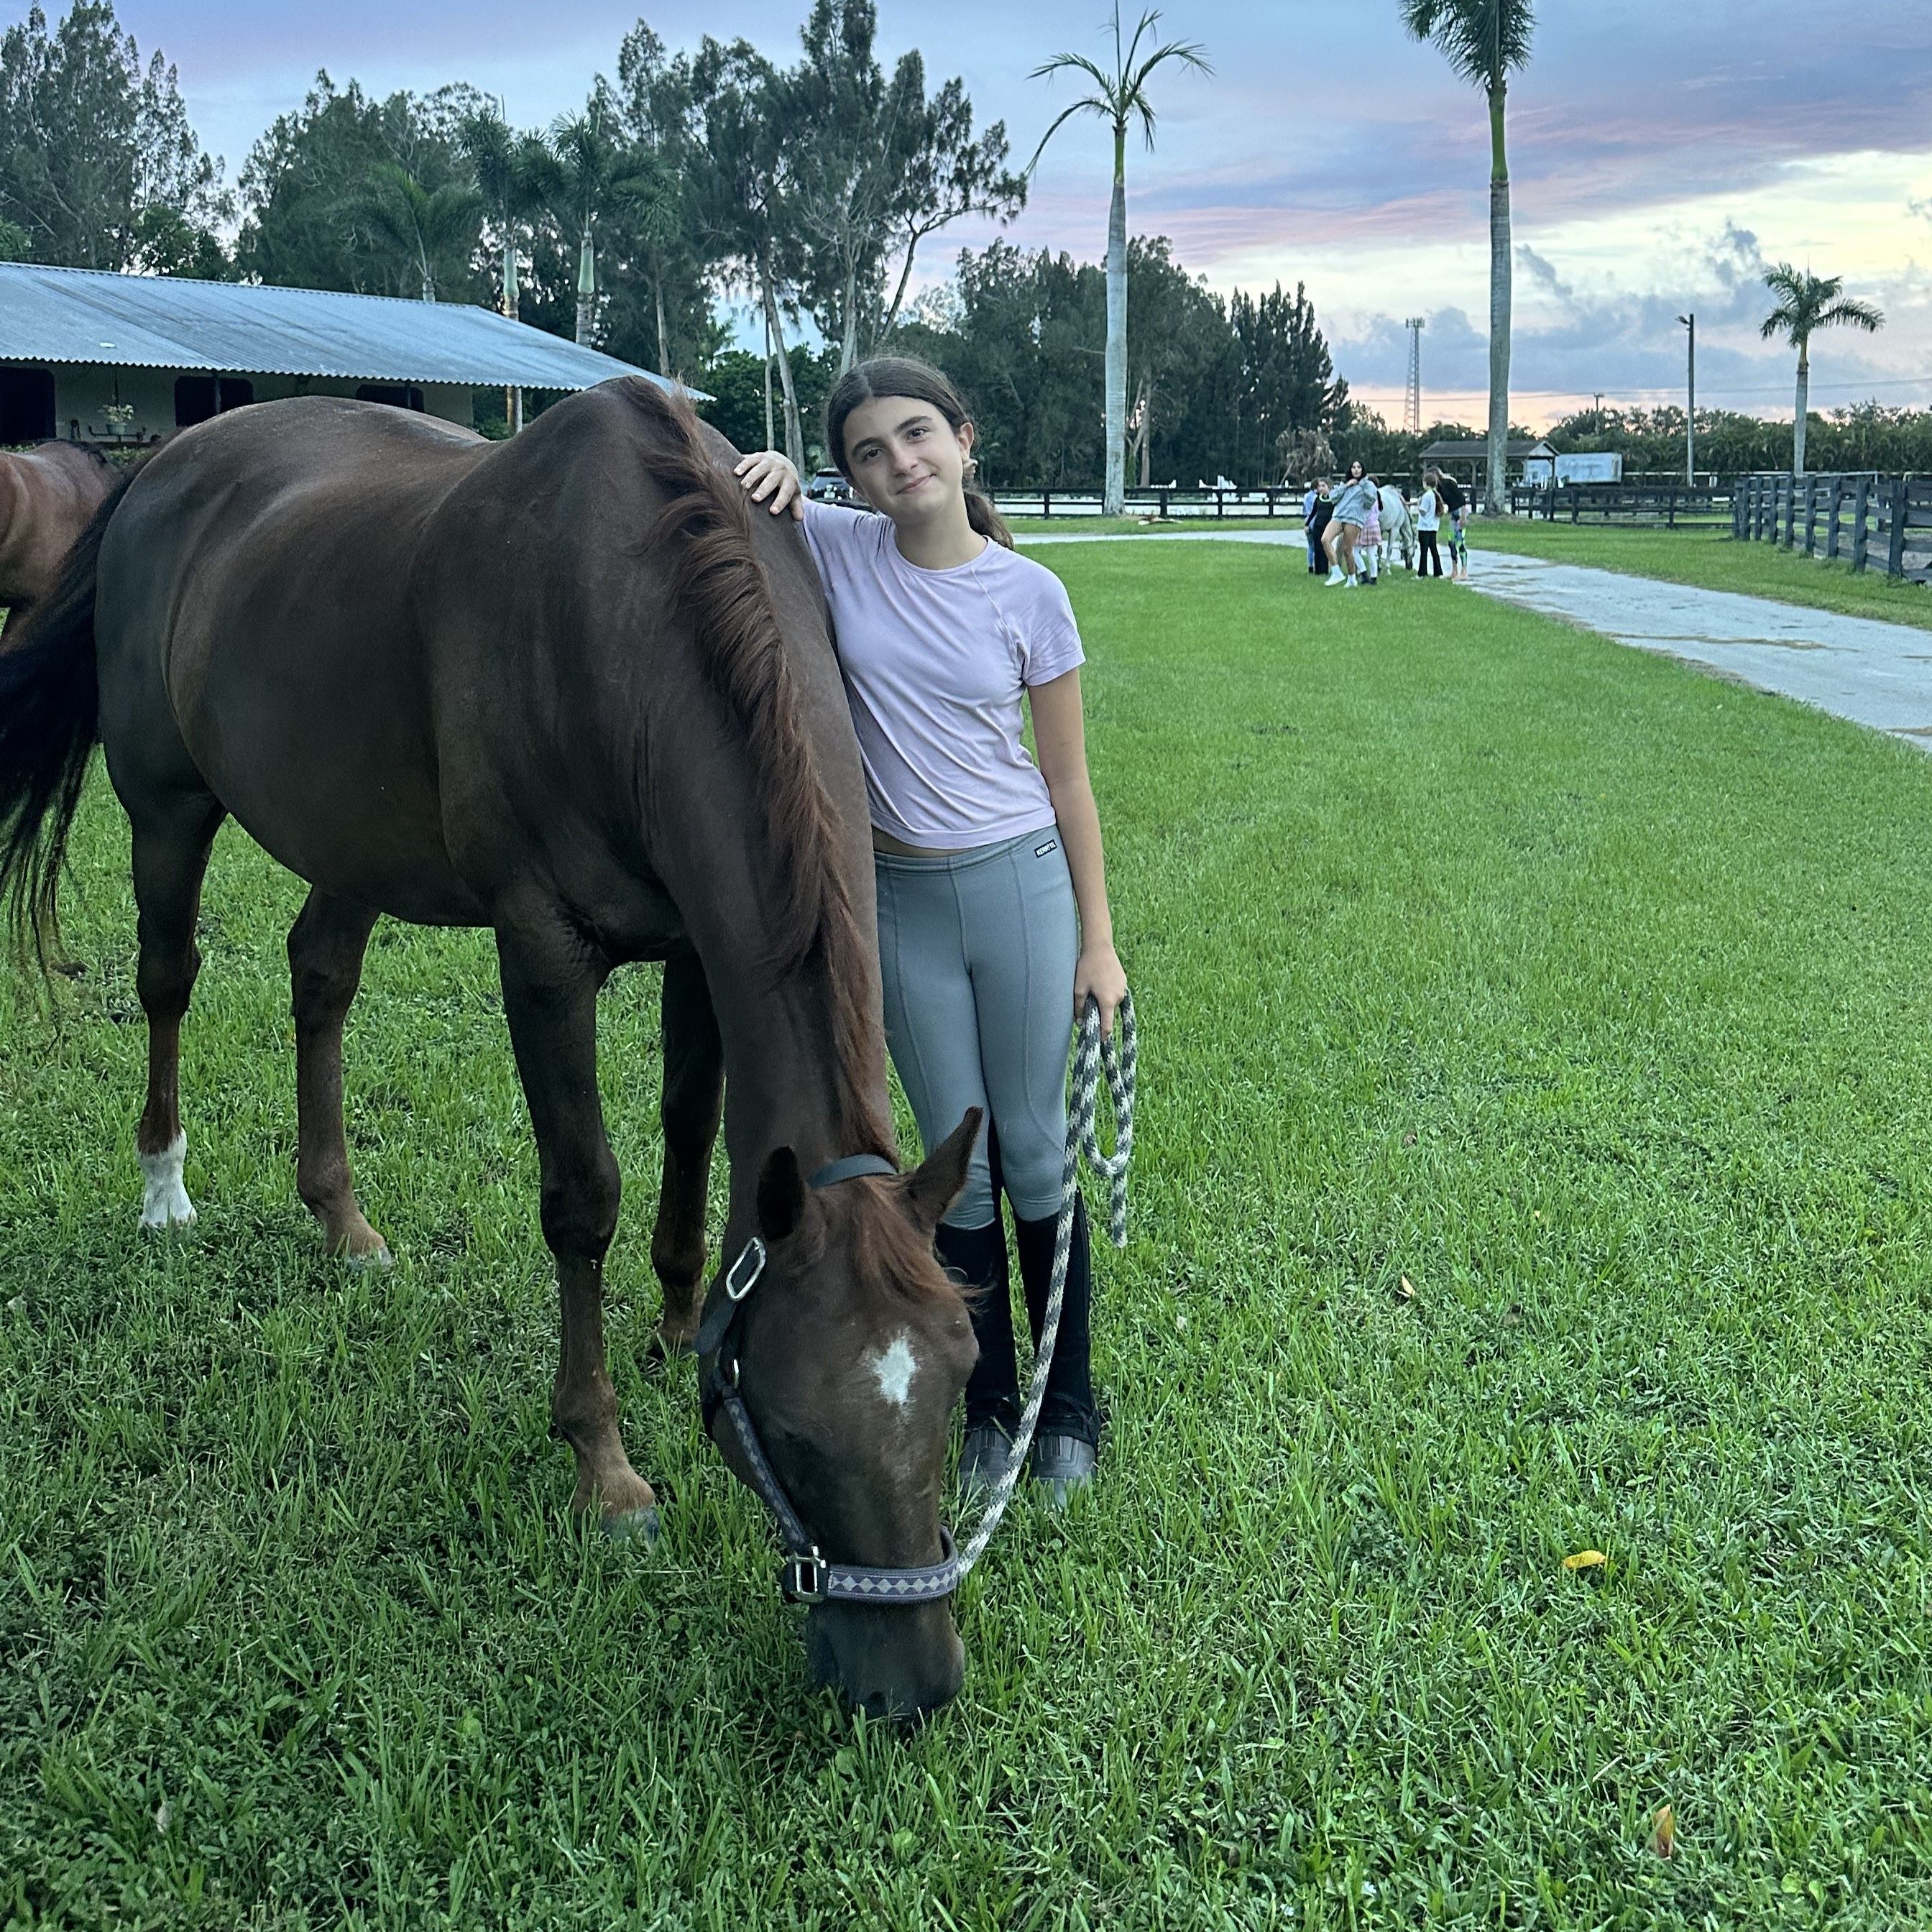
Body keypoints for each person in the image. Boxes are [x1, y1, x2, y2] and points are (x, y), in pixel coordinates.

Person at [734, 356, 1128, 1506]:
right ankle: (993, 1408)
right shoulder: (842, 546)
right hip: (898, 901)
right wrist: (765, 469)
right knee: (954, 1177)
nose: (898, 461)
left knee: (1037, 1150)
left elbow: (1071, 788)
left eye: (916, 436)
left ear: (963, 440)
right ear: (851, 476)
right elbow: (763, 507)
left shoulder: (1029, 593)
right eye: (868, 450)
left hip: (1018, 886)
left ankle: (1069, 1408)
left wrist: (1098, 945)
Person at [1325, 461, 1374, 587]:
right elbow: (1332, 498)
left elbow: (1371, 501)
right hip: (1339, 516)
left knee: (1347, 550)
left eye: (1359, 467)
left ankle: (1352, 578)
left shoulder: (1368, 484)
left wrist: (1362, 485)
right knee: (1325, 539)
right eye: (1353, 467)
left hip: (1354, 519)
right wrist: (1346, 486)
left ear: (1363, 470)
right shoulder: (1344, 484)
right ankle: (1336, 572)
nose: (1356, 470)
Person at [1437, 470, 1470, 581]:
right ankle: (1454, 570)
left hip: (1460, 512)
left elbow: (1462, 500)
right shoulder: (1438, 490)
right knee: (1451, 542)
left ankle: (1464, 570)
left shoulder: (1450, 484)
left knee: (1460, 542)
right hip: (1452, 514)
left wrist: (1463, 517)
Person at [1416, 470, 1444, 577]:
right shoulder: (1435, 494)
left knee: (1424, 551)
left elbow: (1423, 511)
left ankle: (1422, 573)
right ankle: (1438, 572)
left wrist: (1419, 506)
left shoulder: (1427, 496)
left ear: (1426, 483)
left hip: (1424, 527)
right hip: (1433, 527)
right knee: (1434, 550)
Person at [1304, 477, 1333, 575]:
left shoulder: (1332, 499)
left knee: (1325, 548)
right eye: (1319, 486)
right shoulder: (1317, 499)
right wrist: (1307, 525)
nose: (1321, 488)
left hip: (1327, 526)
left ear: (1328, 487)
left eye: (1323, 486)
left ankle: (1325, 570)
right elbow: (1313, 513)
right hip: (1317, 525)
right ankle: (1318, 571)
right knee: (1317, 548)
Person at [1358, 479, 1382, 587]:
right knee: (1371, 553)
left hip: (1365, 525)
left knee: (1354, 551)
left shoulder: (1366, 498)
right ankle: (1374, 577)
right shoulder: (1376, 498)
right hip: (1375, 525)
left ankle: (1364, 573)